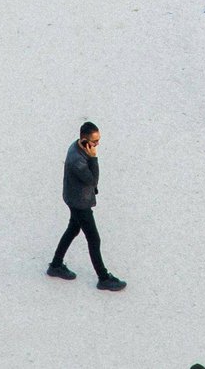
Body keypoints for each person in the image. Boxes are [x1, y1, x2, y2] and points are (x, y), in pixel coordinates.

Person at [47, 122, 125, 291]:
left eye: (98, 141)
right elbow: (92, 180)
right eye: (95, 142)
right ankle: (103, 278)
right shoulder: (78, 161)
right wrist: (93, 158)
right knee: (94, 239)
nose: (97, 145)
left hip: (73, 198)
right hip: (79, 203)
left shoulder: (77, 146)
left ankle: (56, 264)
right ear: (84, 140)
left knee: (73, 229)